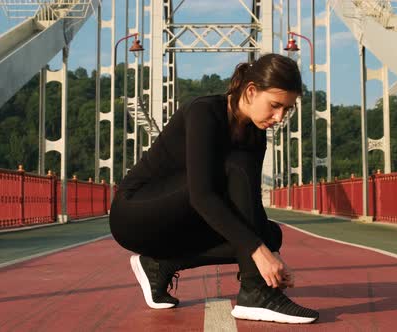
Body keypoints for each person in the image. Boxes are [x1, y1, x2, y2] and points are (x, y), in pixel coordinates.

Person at [109, 53, 319, 324]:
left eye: (287, 110)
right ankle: (257, 294)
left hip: (181, 216)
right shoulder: (204, 111)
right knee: (238, 174)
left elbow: (250, 202)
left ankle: (159, 266)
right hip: (136, 213)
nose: (279, 117)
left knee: (270, 234)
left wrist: (269, 250)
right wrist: (258, 252)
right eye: (275, 105)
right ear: (252, 91)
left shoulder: (256, 133)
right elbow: (202, 195)